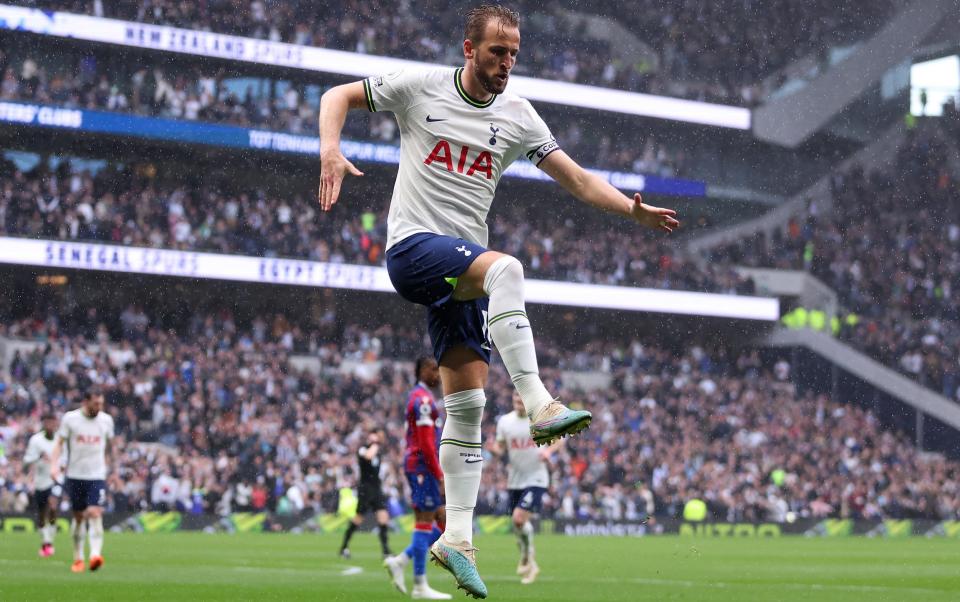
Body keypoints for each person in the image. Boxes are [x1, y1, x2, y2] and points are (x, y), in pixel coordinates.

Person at [318, 5, 678, 597]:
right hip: (414, 252)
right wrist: (330, 149)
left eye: (513, 54)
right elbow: (337, 95)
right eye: (496, 53)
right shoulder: (420, 87)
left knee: (467, 405)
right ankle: (538, 403)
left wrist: (630, 210)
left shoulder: (517, 116)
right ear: (468, 48)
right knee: (507, 269)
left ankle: (456, 538)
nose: (506, 63)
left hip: (460, 273)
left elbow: (580, 180)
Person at [384, 357, 451, 599]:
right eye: (435, 370)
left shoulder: (420, 396)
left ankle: (401, 561)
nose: (439, 376)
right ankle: (419, 584)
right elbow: (425, 443)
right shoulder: (423, 400)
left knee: (440, 520)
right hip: (422, 467)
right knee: (424, 522)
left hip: (420, 467)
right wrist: (438, 473)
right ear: (423, 370)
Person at [490, 392, 560, 585]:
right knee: (517, 525)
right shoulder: (504, 422)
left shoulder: (539, 420)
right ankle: (530, 561)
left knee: (518, 519)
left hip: (537, 478)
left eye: (522, 400)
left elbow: (559, 439)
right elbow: (500, 448)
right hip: (515, 479)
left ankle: (527, 556)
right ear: (512, 401)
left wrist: (548, 451)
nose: (519, 403)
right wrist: (492, 449)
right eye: (516, 400)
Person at [50, 391, 115, 573]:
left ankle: (95, 555)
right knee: (78, 518)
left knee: (94, 512)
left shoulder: (106, 421)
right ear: (86, 402)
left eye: (101, 404)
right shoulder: (70, 419)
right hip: (75, 475)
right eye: (96, 403)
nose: (99, 408)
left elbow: (110, 447)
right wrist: (54, 466)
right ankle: (78, 558)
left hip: (97, 475)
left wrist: (114, 470)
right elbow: (59, 444)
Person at [339, 430, 392, 559]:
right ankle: (344, 547)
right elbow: (368, 456)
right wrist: (375, 444)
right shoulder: (363, 449)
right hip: (365, 490)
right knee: (358, 519)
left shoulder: (378, 452)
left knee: (383, 517)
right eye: (374, 438)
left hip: (376, 488)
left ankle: (385, 551)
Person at [23, 413, 61, 558]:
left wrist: (62, 466)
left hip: (56, 479)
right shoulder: (36, 440)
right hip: (40, 481)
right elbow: (26, 459)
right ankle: (47, 541)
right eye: (47, 422)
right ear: (44, 424)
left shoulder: (60, 439)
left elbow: (65, 457)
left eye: (53, 422)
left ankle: (48, 541)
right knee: (41, 514)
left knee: (53, 506)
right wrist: (39, 456)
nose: (50, 425)